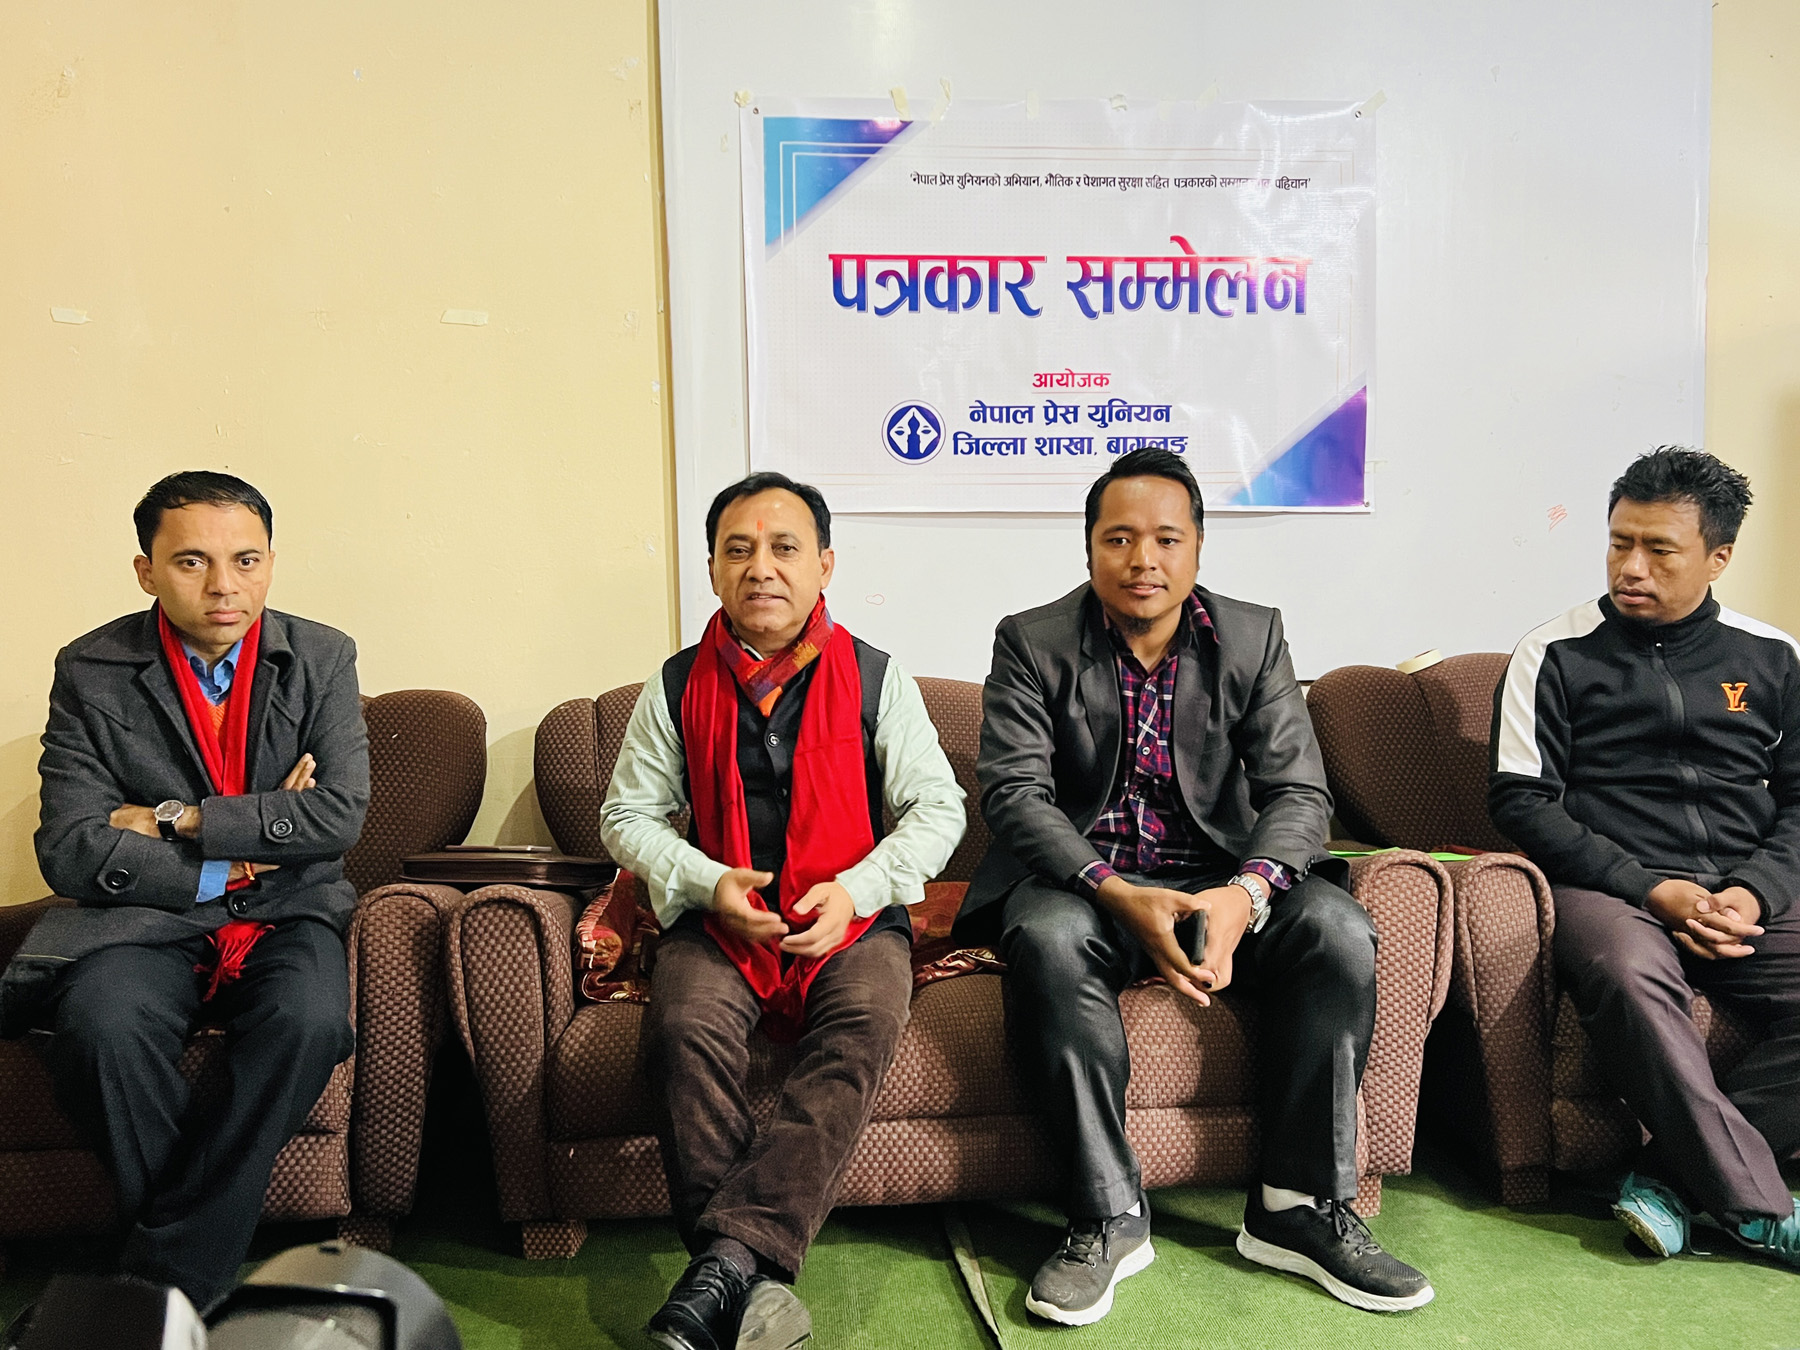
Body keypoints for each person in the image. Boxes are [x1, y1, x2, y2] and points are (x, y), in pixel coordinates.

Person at [956, 448, 1434, 1322]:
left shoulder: (1253, 636)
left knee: (1338, 931)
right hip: (1087, 885)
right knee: (1048, 939)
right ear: (1089, 547)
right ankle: (1108, 1214)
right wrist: (1112, 889)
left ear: (1199, 548)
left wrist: (1245, 894)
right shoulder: (1031, 641)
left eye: (1166, 539)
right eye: (1119, 538)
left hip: (1219, 879)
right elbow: (1015, 795)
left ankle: (1296, 1209)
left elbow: (1300, 793)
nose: (1143, 559)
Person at [600, 471, 965, 1350]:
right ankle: (752, 1280)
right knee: (682, 1027)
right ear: (713, 571)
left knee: (864, 1023)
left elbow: (938, 808)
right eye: (738, 550)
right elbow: (626, 816)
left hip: (850, 919)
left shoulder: (877, 676)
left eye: (784, 548)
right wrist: (706, 881)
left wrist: (858, 890)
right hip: (719, 920)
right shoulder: (675, 683)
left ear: (824, 565)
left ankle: (722, 1264)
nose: (760, 567)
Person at [2, 471, 368, 1310]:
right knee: (101, 1027)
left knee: (309, 1022)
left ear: (271, 562)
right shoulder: (92, 668)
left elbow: (338, 816)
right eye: (192, 561)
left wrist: (178, 819)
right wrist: (245, 848)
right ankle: (197, 1280)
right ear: (147, 571)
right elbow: (69, 845)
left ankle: (159, 1285)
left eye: (247, 560)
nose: (224, 586)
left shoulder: (322, 656)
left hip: (287, 911)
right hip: (143, 916)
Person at [1490, 446, 1800, 1269]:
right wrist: (1648, 887)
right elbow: (1521, 800)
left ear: (1718, 557)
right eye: (1619, 542)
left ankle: (1669, 1180)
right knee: (1628, 976)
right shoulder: (1553, 652)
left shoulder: (1773, 656)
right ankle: (1757, 1207)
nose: (1632, 567)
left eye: (1660, 550)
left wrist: (1756, 891)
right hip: (1611, 892)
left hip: (1742, 891)